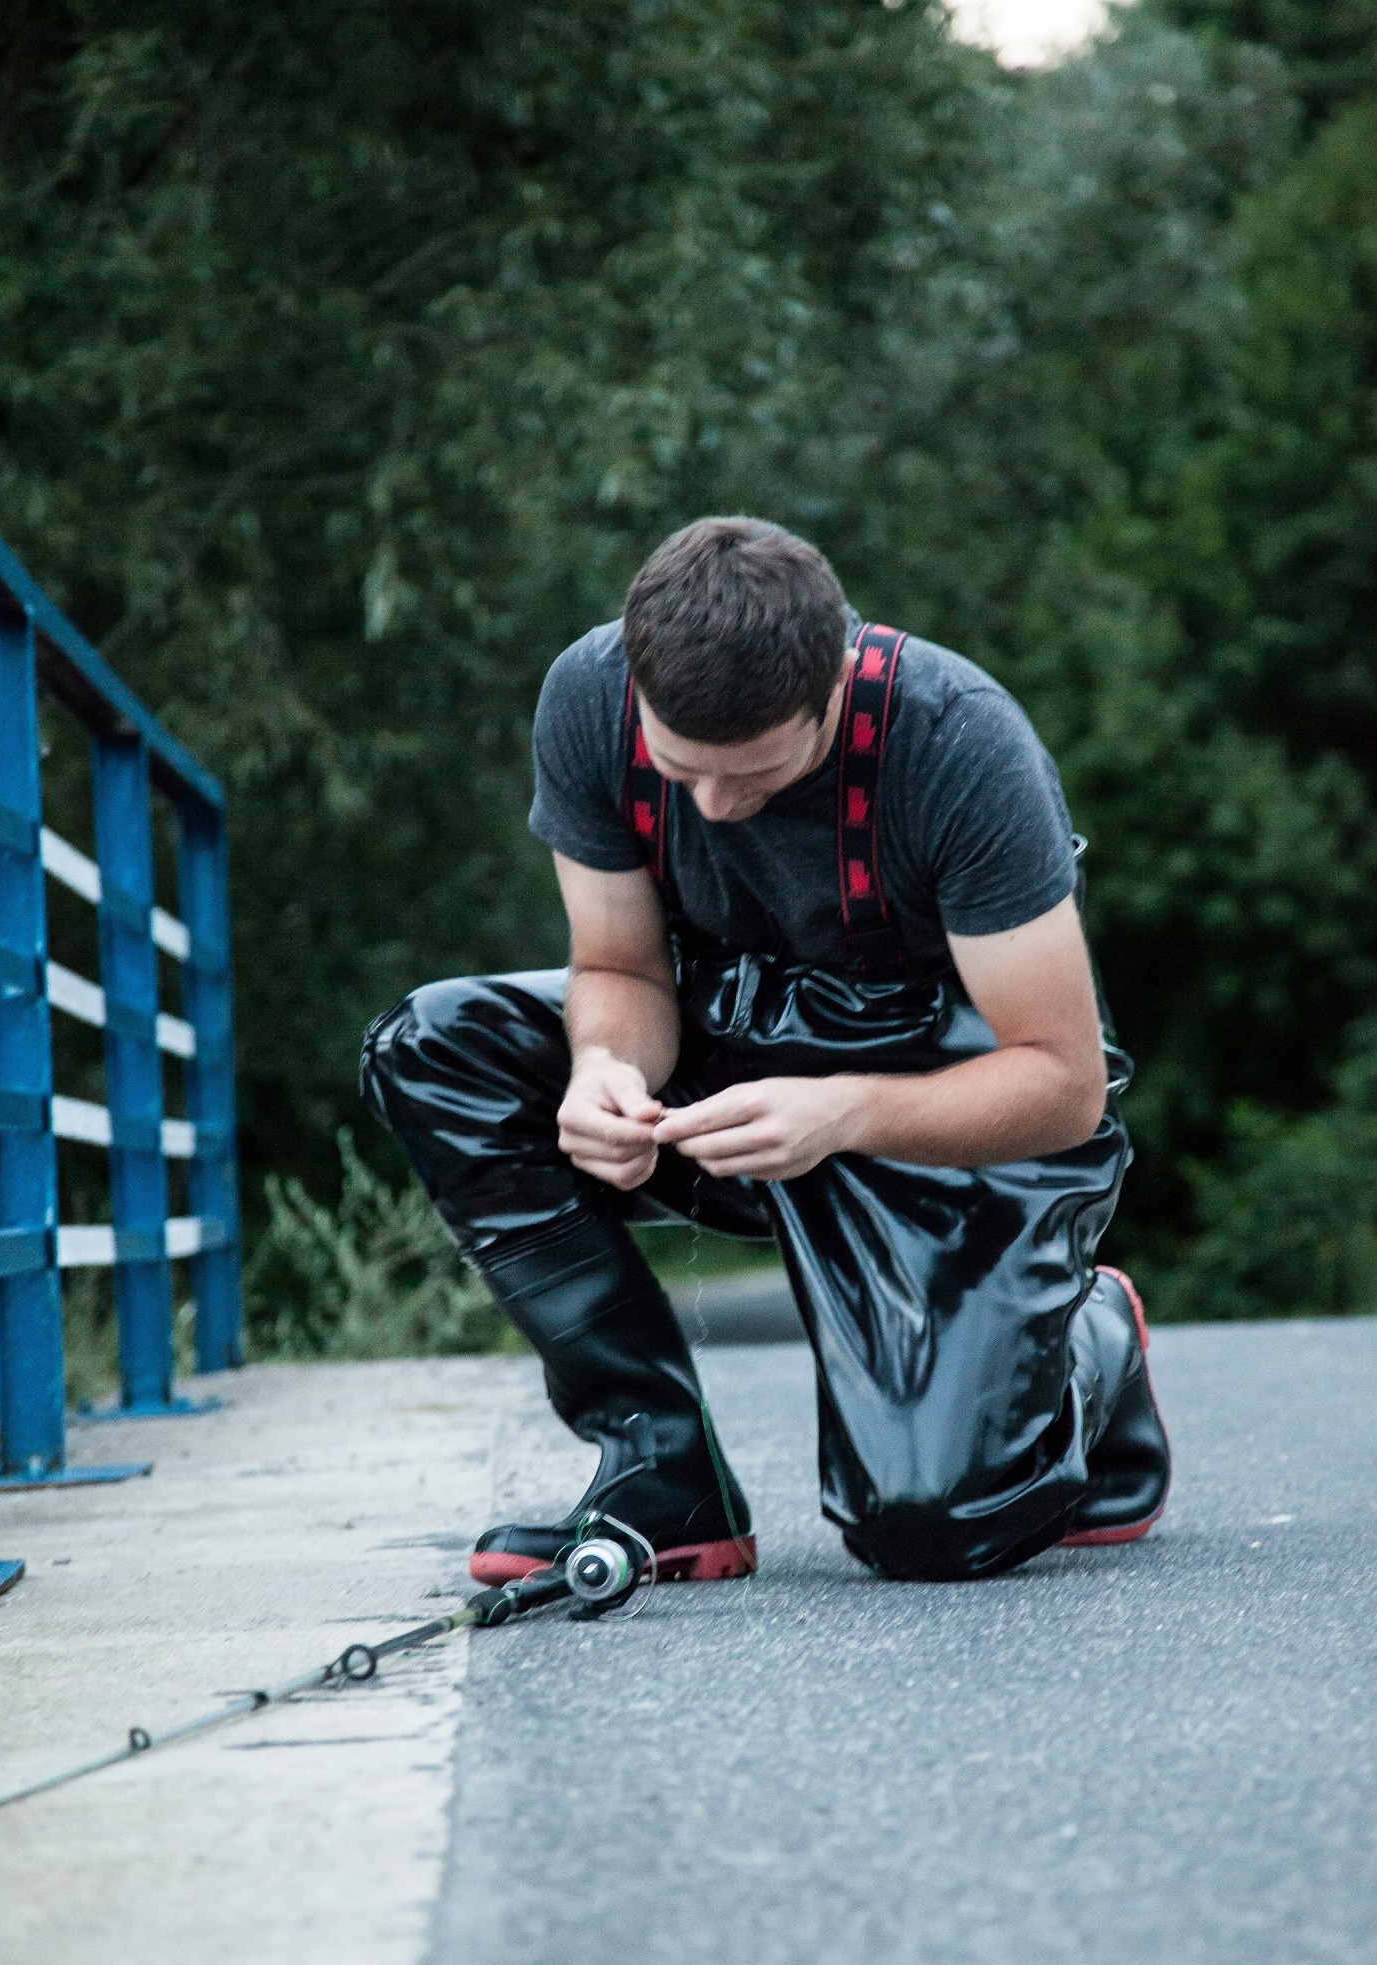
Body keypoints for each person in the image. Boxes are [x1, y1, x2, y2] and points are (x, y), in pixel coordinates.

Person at [361, 517, 1169, 1583]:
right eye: (681, 768)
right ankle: (662, 1472)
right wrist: (605, 1069)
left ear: (832, 686)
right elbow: (620, 968)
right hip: (733, 1071)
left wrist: (843, 1113)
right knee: (435, 1044)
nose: (714, 805)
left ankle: (1090, 1336)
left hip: (951, 1121)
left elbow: (1064, 1088)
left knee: (931, 1525)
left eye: (756, 774)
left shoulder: (959, 741)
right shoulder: (587, 696)